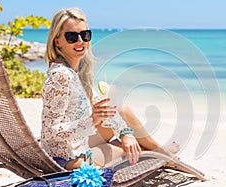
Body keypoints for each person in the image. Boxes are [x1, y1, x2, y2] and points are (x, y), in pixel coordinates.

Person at [41, 7, 179, 170]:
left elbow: (107, 110)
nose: (80, 41)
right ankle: (161, 154)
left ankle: (159, 152)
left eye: (85, 35)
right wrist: (92, 120)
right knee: (130, 147)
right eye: (72, 37)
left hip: (78, 139)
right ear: (57, 41)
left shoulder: (76, 71)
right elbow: (49, 132)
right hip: (65, 156)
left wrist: (125, 133)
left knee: (122, 111)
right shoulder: (60, 76)